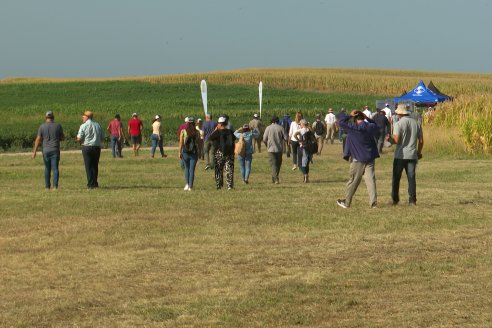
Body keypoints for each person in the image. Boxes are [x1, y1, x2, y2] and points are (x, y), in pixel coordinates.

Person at [336, 110, 380, 209]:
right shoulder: (370, 127)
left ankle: (346, 202)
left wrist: (349, 115)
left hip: (358, 159)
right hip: (370, 157)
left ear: (355, 119)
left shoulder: (353, 128)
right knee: (370, 181)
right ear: (363, 118)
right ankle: (373, 203)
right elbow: (376, 125)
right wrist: (368, 118)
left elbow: (340, 122)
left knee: (353, 181)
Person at [388, 104, 424, 206]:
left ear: (399, 113)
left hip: (400, 155)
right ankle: (412, 200)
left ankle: (395, 199)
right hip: (412, 155)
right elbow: (421, 141)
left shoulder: (398, 124)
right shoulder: (416, 123)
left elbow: (396, 140)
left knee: (396, 178)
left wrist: (389, 139)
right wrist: (419, 152)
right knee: (411, 178)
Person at [32, 111, 64, 190]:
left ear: (46, 117)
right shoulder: (58, 126)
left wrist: (34, 152)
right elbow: (62, 137)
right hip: (55, 149)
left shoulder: (42, 127)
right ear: (53, 117)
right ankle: (55, 186)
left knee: (47, 168)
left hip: (45, 150)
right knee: (55, 168)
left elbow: (38, 139)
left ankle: (47, 187)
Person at [77, 110, 104, 189]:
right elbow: (102, 137)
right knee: (95, 165)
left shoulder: (83, 126)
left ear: (87, 117)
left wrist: (80, 142)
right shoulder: (97, 125)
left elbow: (79, 138)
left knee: (88, 166)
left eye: (83, 116)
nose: (82, 118)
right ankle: (95, 182)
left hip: (87, 147)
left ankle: (90, 184)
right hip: (96, 147)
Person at [209, 117, 236, 190]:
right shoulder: (230, 132)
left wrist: (215, 130)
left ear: (219, 124)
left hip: (219, 153)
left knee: (218, 169)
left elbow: (210, 138)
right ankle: (229, 186)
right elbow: (234, 139)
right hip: (230, 153)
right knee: (229, 169)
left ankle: (219, 184)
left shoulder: (217, 132)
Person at [263, 115, 286, 184]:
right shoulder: (280, 128)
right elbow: (285, 137)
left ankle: (275, 177)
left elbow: (264, 139)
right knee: (278, 164)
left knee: (273, 164)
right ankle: (275, 177)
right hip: (279, 148)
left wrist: (267, 145)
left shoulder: (268, 128)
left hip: (270, 149)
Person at [179, 117, 199, 191]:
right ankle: (191, 186)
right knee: (192, 170)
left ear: (187, 123)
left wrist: (179, 151)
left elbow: (181, 142)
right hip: (194, 152)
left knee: (186, 169)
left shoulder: (183, 131)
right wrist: (200, 152)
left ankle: (187, 184)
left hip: (185, 152)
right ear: (194, 123)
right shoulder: (196, 132)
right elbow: (199, 143)